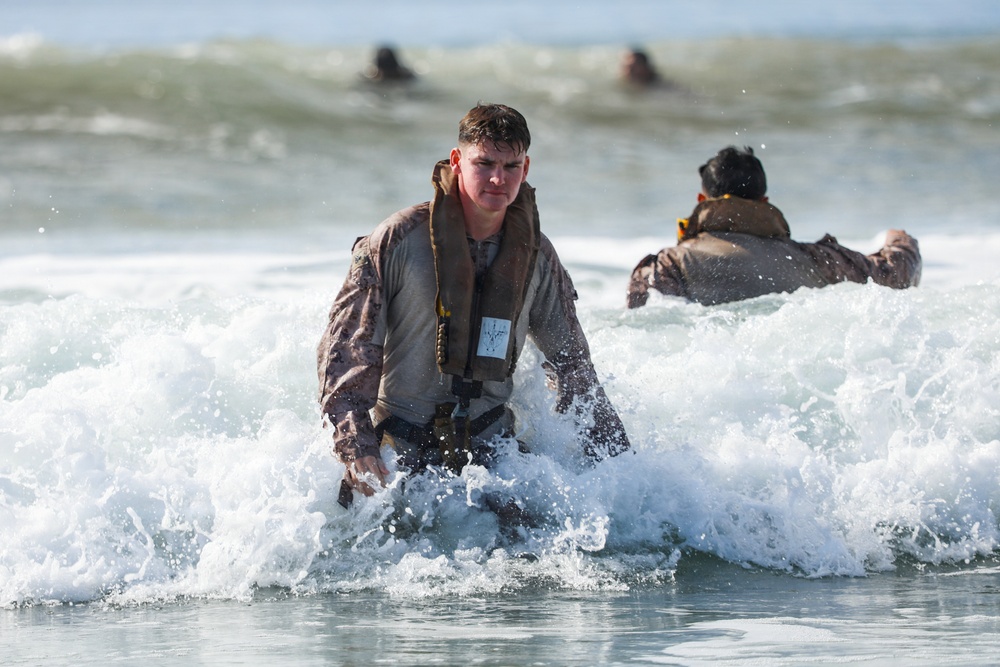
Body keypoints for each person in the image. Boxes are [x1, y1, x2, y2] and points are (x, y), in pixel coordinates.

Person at [318, 103, 630, 506]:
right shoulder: (397, 239)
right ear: (457, 161)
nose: (499, 178)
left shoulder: (537, 255)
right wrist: (356, 445)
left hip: (494, 456)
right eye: (484, 164)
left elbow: (572, 365)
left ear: (526, 169)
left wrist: (620, 466)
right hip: (400, 454)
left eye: (511, 166)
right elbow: (347, 349)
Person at [626, 146, 922, 308]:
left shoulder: (668, 264)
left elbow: (643, 322)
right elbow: (894, 277)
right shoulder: (815, 258)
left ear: (702, 200)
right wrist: (900, 241)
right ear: (764, 201)